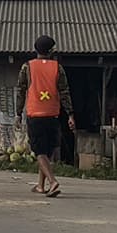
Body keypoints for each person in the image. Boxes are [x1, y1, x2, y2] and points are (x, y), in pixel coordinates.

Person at [22, 34, 72, 197]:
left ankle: (52, 182)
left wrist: (17, 113)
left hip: (35, 114)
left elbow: (21, 90)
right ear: (51, 51)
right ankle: (40, 186)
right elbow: (64, 92)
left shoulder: (27, 67)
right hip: (52, 114)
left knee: (39, 151)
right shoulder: (58, 68)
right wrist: (70, 114)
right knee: (46, 151)